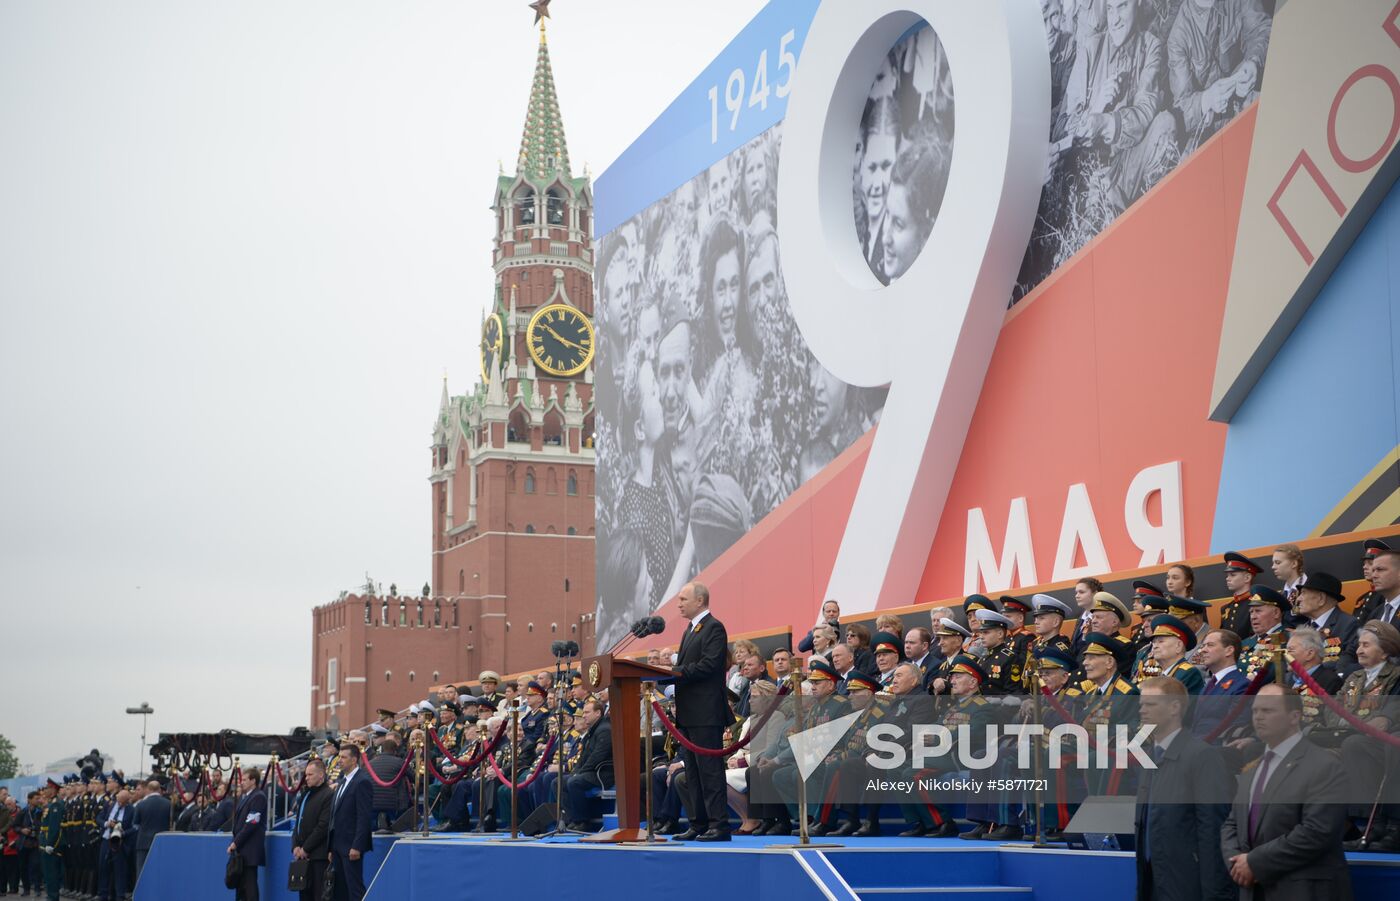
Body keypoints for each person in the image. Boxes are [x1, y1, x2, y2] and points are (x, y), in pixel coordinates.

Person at [1220, 684, 1351, 899]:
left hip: (1303, 890)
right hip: (1253, 889)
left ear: (1294, 716)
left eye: (1268, 711)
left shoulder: (1324, 765)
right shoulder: (1253, 768)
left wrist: (1254, 863)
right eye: (1255, 711)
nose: (1258, 717)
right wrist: (1236, 862)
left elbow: (1317, 831)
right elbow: (1232, 824)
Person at [1134, 676, 1234, 901]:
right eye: (1141, 704)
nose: (1142, 711)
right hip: (1153, 879)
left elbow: (1212, 828)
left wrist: (1215, 893)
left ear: (1174, 707)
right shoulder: (1150, 757)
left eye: (1151, 704)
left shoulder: (1201, 756)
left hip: (1187, 882)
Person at [668, 582, 732, 842]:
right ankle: (699, 823)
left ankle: (719, 825)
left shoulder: (714, 627)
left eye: (683, 599)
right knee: (692, 772)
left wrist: (675, 673)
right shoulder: (689, 630)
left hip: (706, 712)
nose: (679, 604)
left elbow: (709, 664)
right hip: (689, 712)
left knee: (709, 771)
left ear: (700, 601)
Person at [329, 744, 373, 901]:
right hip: (338, 846)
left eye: (343, 757)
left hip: (351, 847)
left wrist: (357, 846)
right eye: (339, 757)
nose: (339, 760)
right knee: (340, 890)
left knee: (354, 889)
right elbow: (335, 816)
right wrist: (331, 847)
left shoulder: (362, 781)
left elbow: (364, 817)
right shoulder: (342, 781)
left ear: (354, 760)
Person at [563, 698, 613, 831]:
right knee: (558, 782)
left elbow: (597, 757)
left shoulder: (604, 729)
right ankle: (571, 820)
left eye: (587, 712)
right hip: (591, 771)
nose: (583, 715)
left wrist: (579, 772)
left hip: (603, 773)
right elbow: (583, 757)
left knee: (574, 782)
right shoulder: (593, 730)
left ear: (598, 713)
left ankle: (583, 821)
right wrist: (575, 771)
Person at [291, 757, 333, 901]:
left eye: (310, 775)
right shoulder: (305, 794)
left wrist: (306, 848)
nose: (306, 778)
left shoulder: (328, 795)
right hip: (302, 858)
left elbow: (323, 826)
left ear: (321, 775)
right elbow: (297, 823)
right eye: (306, 775)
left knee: (318, 895)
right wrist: (295, 846)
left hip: (318, 857)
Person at [226, 769, 265, 901]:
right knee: (241, 888)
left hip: (250, 850)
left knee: (250, 887)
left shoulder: (258, 796)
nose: (241, 782)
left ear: (253, 781)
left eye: (244, 780)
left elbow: (251, 824)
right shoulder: (246, 797)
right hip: (241, 851)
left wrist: (235, 842)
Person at [132, 779, 170, 886]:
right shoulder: (168, 804)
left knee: (141, 872)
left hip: (143, 842)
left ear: (148, 789)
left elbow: (135, 824)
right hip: (161, 842)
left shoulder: (141, 804)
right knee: (159, 872)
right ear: (159, 789)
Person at [1220, 551, 1262, 638]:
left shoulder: (1257, 604)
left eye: (1232, 575)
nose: (1228, 579)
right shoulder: (1226, 608)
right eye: (1227, 575)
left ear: (1247, 578)